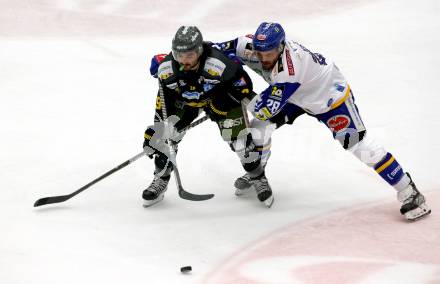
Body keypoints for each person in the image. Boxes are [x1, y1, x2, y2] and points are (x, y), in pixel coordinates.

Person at [214, 22, 431, 221]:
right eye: (259, 52)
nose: (263, 58)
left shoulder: (291, 69)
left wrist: (236, 91)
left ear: (280, 47)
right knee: (259, 130)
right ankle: (257, 172)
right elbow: (213, 51)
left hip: (329, 99)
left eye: (269, 53)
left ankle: (409, 191)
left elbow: (262, 109)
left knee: (361, 147)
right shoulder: (250, 46)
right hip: (295, 95)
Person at [142, 26, 273, 207]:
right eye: (179, 55)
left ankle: (258, 178)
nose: (184, 60)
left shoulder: (219, 63)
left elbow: (243, 88)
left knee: (241, 143)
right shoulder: (166, 69)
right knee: (165, 139)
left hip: (220, 100)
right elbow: (164, 103)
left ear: (199, 51)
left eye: (189, 55)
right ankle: (160, 180)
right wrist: (157, 130)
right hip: (188, 103)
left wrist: (220, 103)